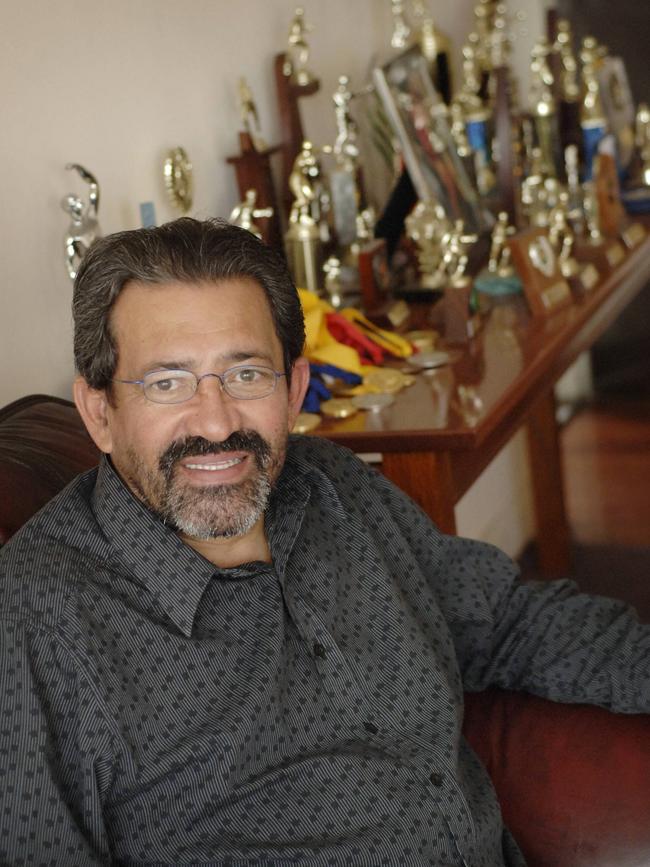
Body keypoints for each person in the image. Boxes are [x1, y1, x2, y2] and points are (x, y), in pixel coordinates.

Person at [0, 217, 648, 866]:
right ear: (100, 413)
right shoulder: (37, 616)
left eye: (246, 374)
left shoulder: (330, 483)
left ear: (294, 389)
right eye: (167, 382)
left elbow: (507, 621)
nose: (217, 420)